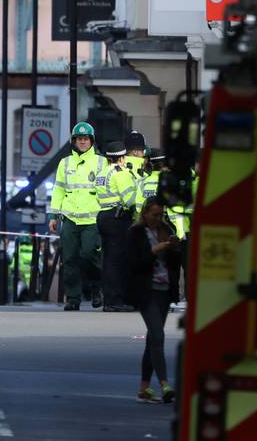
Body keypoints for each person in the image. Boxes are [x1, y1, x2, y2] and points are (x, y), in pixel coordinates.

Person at [125, 197, 180, 404]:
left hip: (164, 289)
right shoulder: (135, 233)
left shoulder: (166, 230)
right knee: (158, 335)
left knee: (152, 340)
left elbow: (174, 263)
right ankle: (165, 384)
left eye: (161, 214)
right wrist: (153, 251)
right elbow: (134, 263)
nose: (158, 218)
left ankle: (144, 388)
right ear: (145, 213)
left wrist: (174, 248)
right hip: (146, 291)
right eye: (154, 215)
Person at [48, 122, 105, 311]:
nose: (82, 142)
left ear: (92, 141)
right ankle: (73, 298)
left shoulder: (101, 162)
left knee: (90, 255)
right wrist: (53, 215)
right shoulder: (65, 163)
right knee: (70, 259)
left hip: (92, 219)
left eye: (86, 139)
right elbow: (58, 190)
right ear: (74, 141)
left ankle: (97, 289)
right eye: (79, 139)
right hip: (70, 219)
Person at [96, 141, 137, 312]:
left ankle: (109, 300)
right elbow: (130, 199)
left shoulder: (102, 172)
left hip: (104, 216)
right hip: (118, 218)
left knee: (108, 260)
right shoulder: (121, 173)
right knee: (118, 261)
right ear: (121, 158)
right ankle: (116, 301)